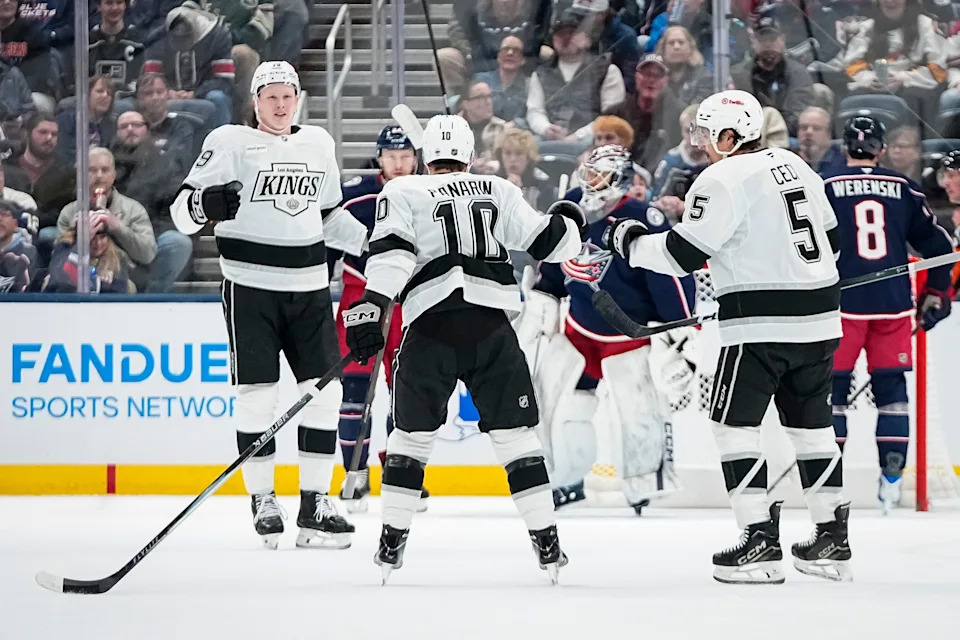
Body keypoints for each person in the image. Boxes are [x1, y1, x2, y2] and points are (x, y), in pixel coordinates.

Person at [606, 90, 852, 584]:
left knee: (733, 426)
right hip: (822, 320)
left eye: (706, 132)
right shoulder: (796, 164)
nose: (700, 142)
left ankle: (758, 540)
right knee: (811, 428)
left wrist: (628, 242)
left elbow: (680, 256)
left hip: (759, 325)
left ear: (729, 135)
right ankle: (831, 539)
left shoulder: (718, 178)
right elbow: (834, 242)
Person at [342, 114, 586, 584]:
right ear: (471, 155)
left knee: (409, 440)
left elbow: (391, 256)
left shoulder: (403, 191)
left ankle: (392, 542)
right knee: (517, 439)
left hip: (430, 327)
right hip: (490, 328)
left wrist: (371, 309)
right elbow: (551, 245)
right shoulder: (499, 190)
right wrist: (571, 217)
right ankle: (548, 542)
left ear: (425, 157)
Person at [170, 61, 368, 550]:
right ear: (255, 101)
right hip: (250, 289)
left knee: (323, 395)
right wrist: (205, 207)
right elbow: (180, 214)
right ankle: (262, 498)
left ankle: (315, 502)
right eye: (271, 96)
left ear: (299, 97)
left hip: (309, 289)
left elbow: (327, 215)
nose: (281, 105)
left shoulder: (318, 144)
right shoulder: (229, 141)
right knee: (257, 396)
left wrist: (378, 242)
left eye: (288, 95)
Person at [516, 144, 697, 515]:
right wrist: (543, 296)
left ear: (619, 177)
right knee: (560, 404)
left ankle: (645, 482)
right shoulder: (571, 207)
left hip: (626, 337)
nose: (590, 180)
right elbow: (553, 258)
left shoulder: (641, 217)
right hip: (578, 330)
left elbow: (669, 275)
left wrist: (677, 326)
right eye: (588, 171)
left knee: (638, 410)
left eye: (598, 173)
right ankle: (565, 479)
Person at [820, 115, 954, 513]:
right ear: (881, 149)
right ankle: (891, 483)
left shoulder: (824, 185)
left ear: (845, 148)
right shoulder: (903, 187)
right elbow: (941, 245)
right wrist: (937, 293)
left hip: (840, 306)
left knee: (833, 396)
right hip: (893, 305)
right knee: (892, 395)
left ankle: (829, 487)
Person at [331, 125, 427, 513]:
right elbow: (328, 243)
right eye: (392, 156)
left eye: (406, 157)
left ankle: (400, 475)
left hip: (413, 299)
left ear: (417, 159)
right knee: (355, 394)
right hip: (361, 297)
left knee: (406, 395)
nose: (399, 163)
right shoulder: (355, 195)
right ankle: (354, 476)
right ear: (379, 157)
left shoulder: (431, 194)